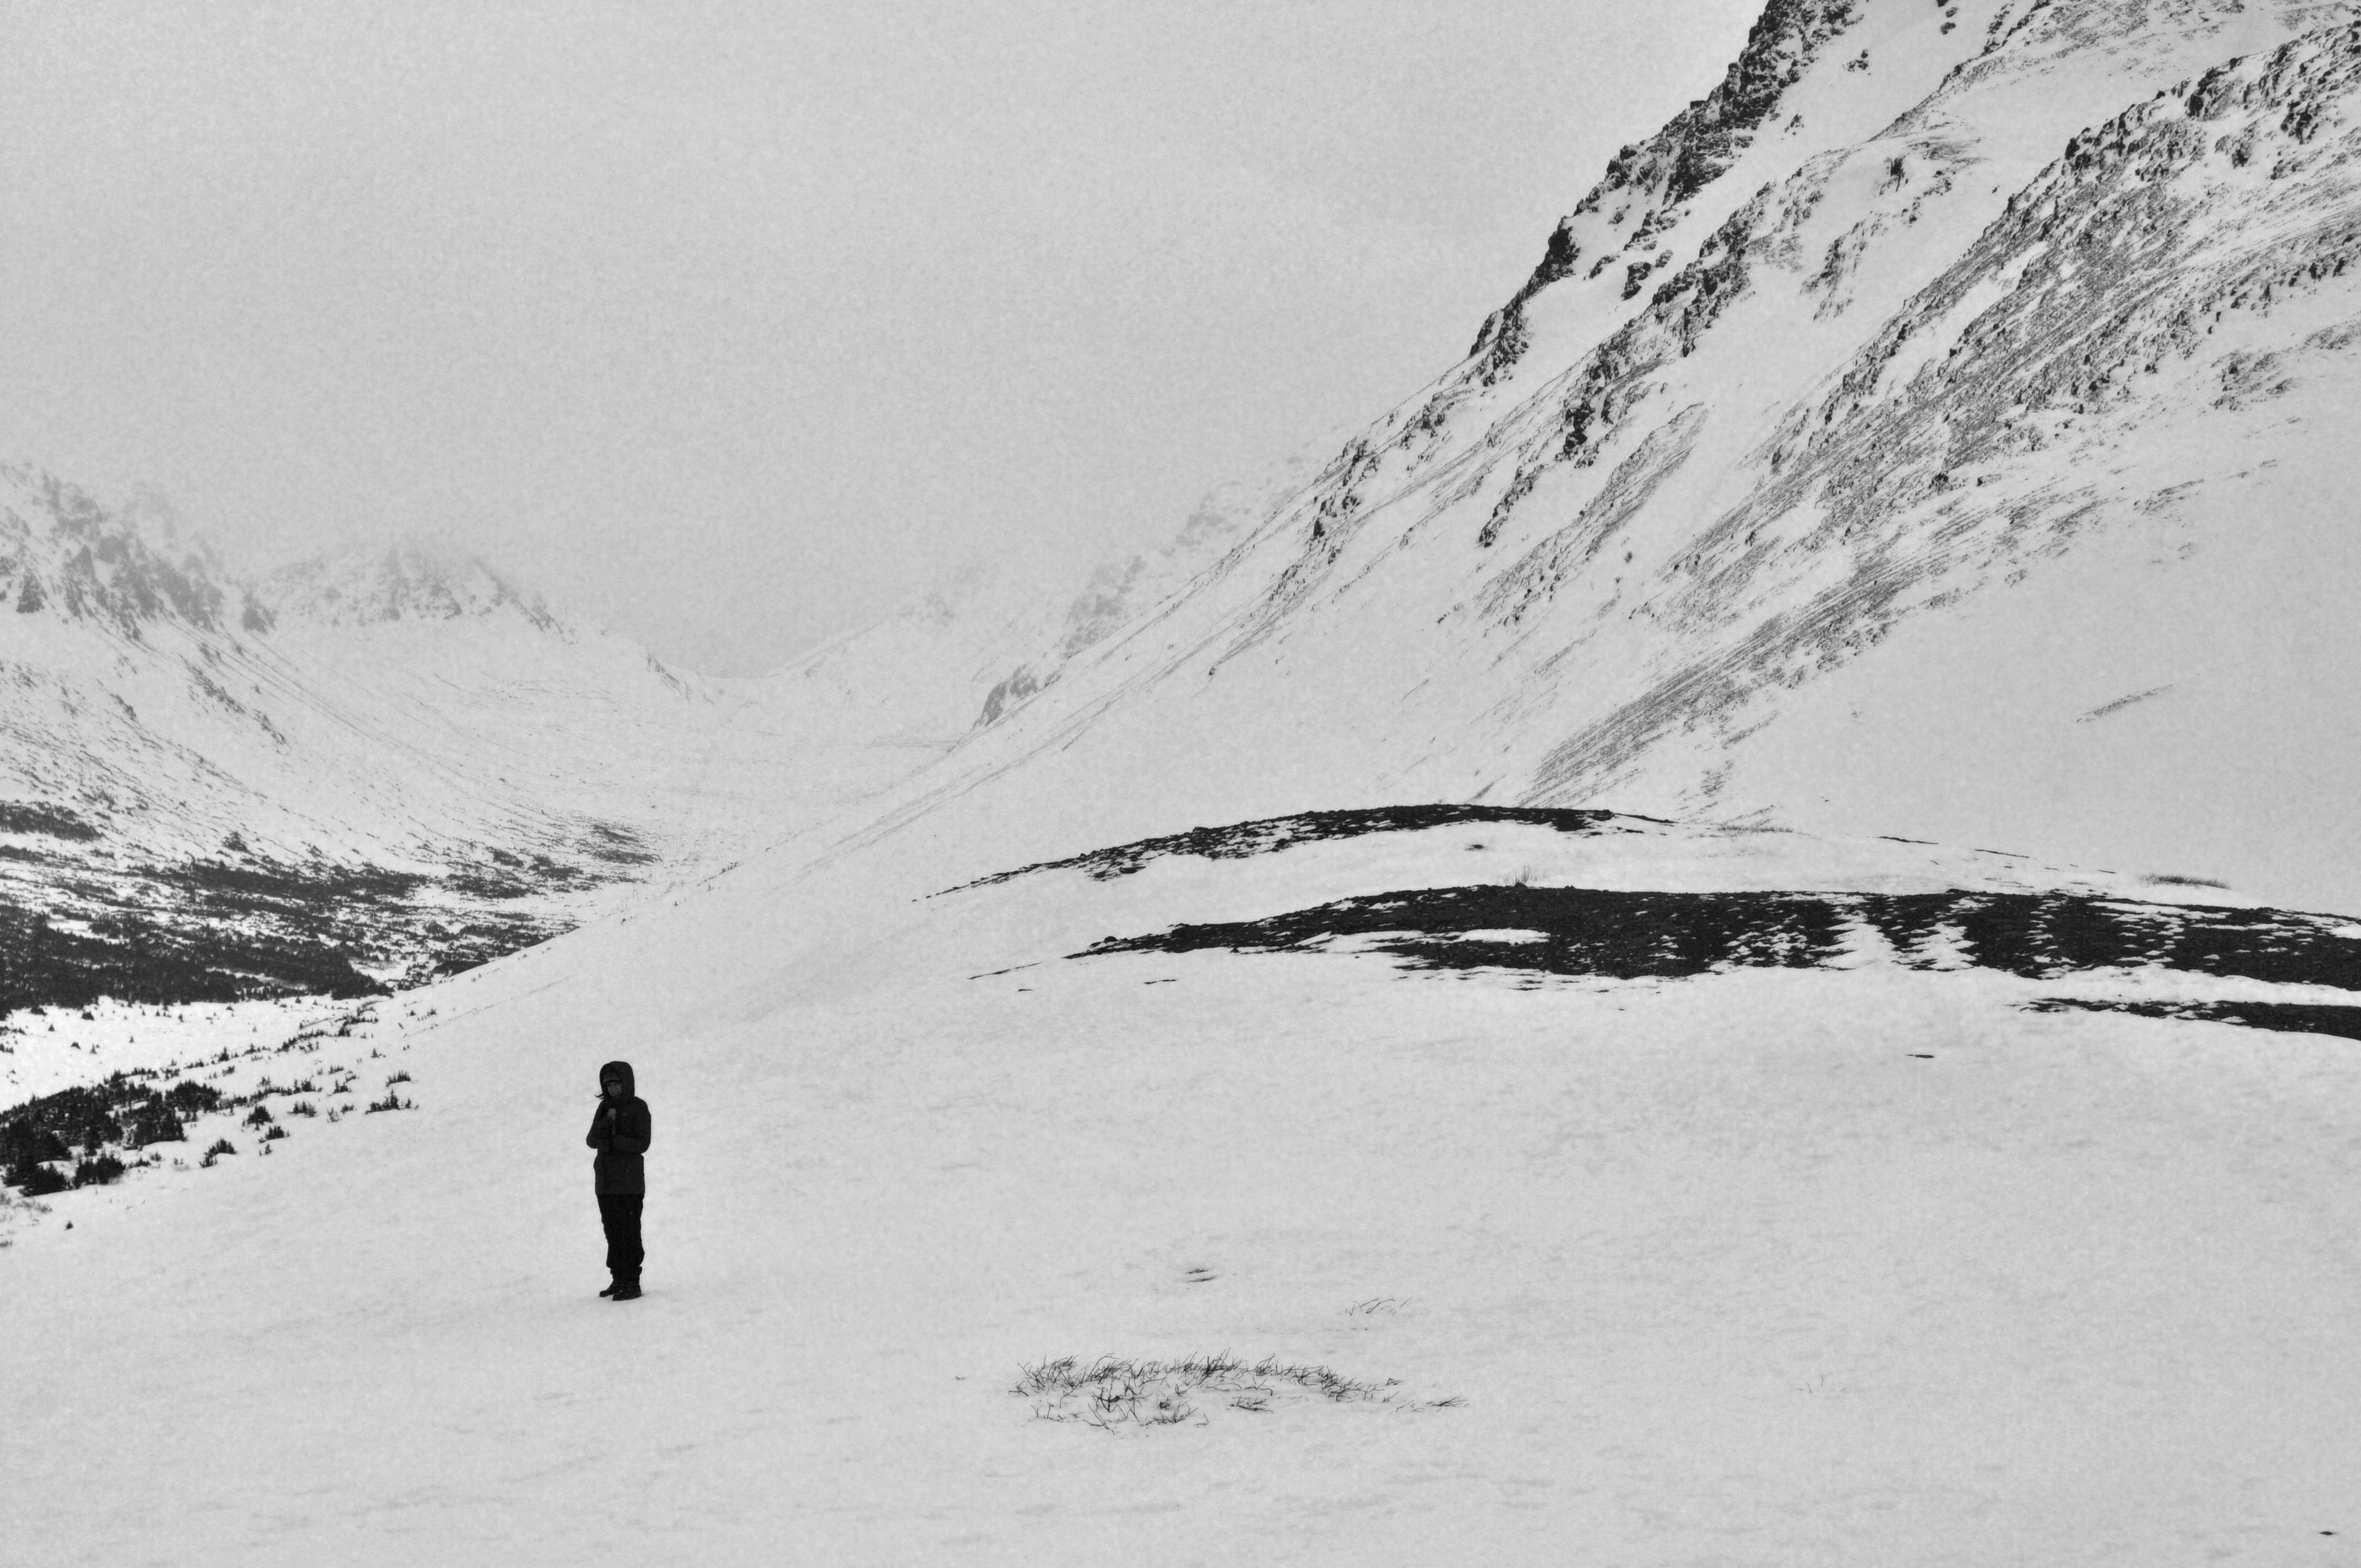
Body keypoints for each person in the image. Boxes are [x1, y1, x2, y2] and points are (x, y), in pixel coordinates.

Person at [586, 1060, 652, 1300]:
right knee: (612, 1232)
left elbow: (643, 1143)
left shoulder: (639, 1107)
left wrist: (617, 1140)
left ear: (626, 1083)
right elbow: (591, 1141)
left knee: (629, 1232)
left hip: (629, 1182)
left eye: (616, 1083)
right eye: (608, 1084)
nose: (612, 1088)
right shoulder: (604, 1108)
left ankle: (632, 1282)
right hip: (605, 1183)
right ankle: (618, 1278)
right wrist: (603, 1129)